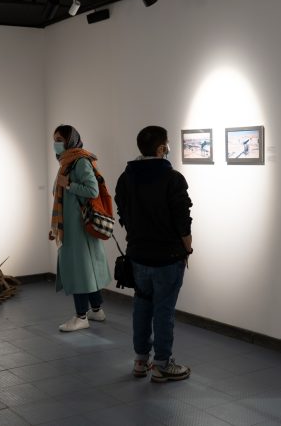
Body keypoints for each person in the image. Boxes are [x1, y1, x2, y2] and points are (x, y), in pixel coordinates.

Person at [115, 125, 193, 382]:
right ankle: (162, 364)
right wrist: (188, 248)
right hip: (167, 256)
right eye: (167, 144)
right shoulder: (172, 179)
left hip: (138, 254)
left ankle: (140, 361)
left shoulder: (126, 178)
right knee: (163, 310)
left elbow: (122, 211)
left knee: (141, 307)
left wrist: (136, 234)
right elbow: (183, 220)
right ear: (161, 148)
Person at [49, 124, 112, 332]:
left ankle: (81, 316)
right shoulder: (67, 162)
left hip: (79, 227)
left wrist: (68, 184)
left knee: (79, 271)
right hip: (72, 226)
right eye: (55, 140)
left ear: (70, 140)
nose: (56, 144)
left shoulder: (80, 161)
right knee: (86, 269)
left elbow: (92, 191)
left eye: (60, 140)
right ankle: (96, 310)